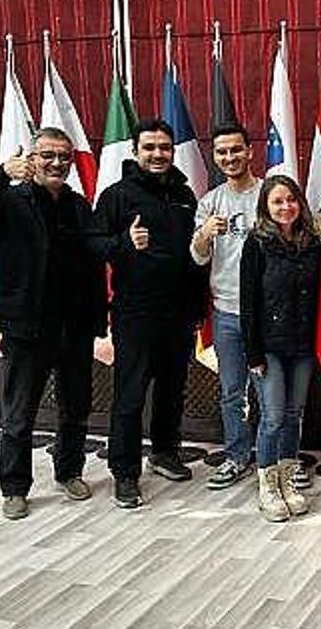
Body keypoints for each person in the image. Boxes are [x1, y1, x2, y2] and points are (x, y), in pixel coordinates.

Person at [0, 127, 107, 520]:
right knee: (19, 415)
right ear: (32, 159)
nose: (57, 163)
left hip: (74, 327)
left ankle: (69, 471)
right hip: (26, 328)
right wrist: (0, 174)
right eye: (47, 155)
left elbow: (93, 264)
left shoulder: (79, 205)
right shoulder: (8, 199)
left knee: (75, 408)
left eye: (64, 157)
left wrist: (98, 320)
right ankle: (14, 488)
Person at [93, 118, 207, 509]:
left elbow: (195, 253)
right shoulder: (117, 196)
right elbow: (93, 244)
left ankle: (164, 452)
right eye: (150, 147)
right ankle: (125, 472)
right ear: (136, 151)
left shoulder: (185, 195)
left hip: (180, 312)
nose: (158, 154)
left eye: (164, 147)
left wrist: (196, 307)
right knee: (131, 395)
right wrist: (125, 242)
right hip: (136, 313)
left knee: (172, 389)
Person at [239, 176, 320, 522]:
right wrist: (253, 353)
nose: (286, 207)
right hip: (268, 347)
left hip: (303, 345)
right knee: (272, 418)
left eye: (291, 200)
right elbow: (248, 302)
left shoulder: (311, 242)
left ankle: (288, 481)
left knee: (293, 415)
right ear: (265, 207)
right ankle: (268, 487)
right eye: (277, 201)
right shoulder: (256, 244)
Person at [190, 123, 261, 490]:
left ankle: (279, 459)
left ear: (250, 151)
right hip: (227, 313)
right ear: (215, 157)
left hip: (266, 314)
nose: (230, 157)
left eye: (236, 149)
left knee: (272, 393)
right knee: (233, 392)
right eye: (222, 152)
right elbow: (199, 257)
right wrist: (204, 235)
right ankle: (237, 456)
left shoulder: (269, 193)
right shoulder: (210, 202)